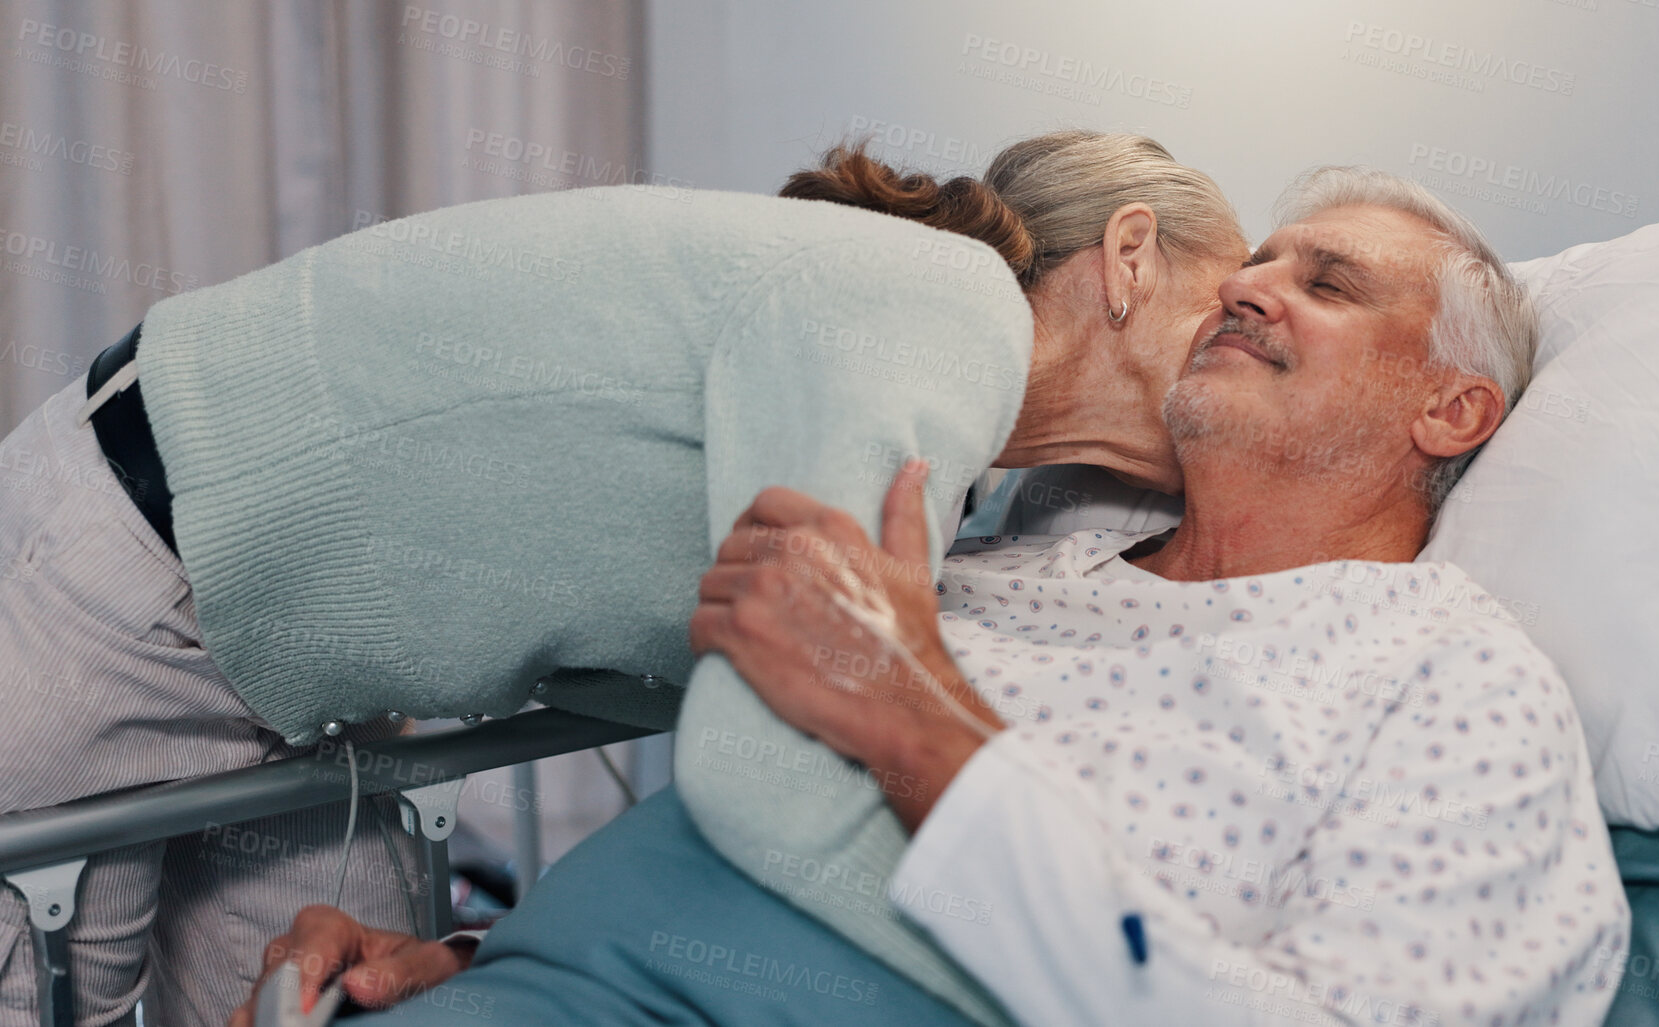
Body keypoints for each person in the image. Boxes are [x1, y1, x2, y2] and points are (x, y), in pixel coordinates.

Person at [241, 168, 1630, 1026]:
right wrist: (460, 954)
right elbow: (762, 816)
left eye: (1322, 282)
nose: (1245, 289)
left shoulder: (1448, 677)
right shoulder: (1013, 557)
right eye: (1253, 260)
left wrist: (917, 710)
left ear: (1448, 406)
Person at [0, 131, 1246, 1026]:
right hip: (131, 555)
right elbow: (762, 774)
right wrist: (1067, 974)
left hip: (287, 671)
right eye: (1231, 301)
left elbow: (690, 674)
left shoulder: (958, 481)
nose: (1244, 338)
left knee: (312, 996)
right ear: (1129, 256)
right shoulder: (949, 309)